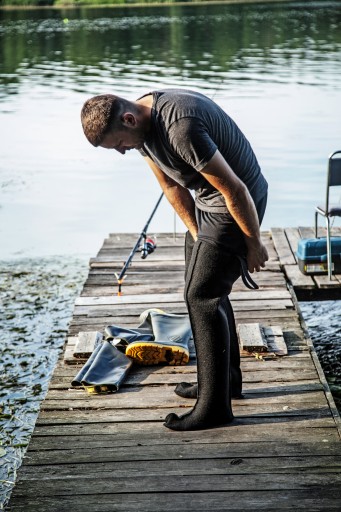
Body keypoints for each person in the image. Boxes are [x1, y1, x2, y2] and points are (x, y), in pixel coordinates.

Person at [81, 89, 269, 431]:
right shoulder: (141, 129)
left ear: (128, 119)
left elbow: (235, 189)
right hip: (208, 204)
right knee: (202, 286)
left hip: (238, 203)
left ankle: (214, 408)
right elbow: (170, 187)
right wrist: (198, 233)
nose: (122, 151)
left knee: (201, 297)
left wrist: (253, 243)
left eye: (119, 143)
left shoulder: (179, 126)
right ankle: (223, 384)